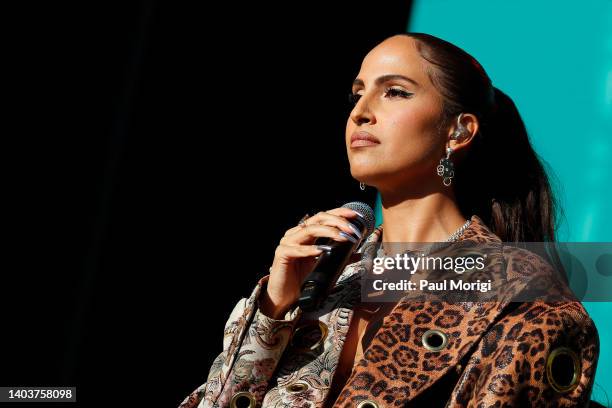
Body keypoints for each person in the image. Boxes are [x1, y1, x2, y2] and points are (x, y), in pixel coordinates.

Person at [179, 33, 599, 407]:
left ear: (458, 131)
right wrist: (274, 308)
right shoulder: (323, 278)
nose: (361, 112)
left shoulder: (522, 305)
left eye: (395, 92)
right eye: (356, 94)